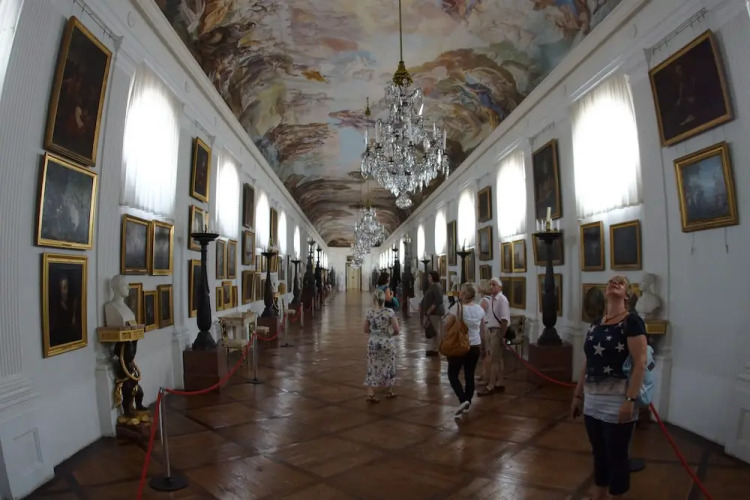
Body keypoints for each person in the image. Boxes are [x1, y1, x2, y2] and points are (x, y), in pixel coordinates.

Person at [571, 275, 648, 500]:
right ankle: (600, 495)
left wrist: (630, 400)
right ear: (606, 292)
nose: (615, 283)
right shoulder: (596, 323)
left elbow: (640, 362)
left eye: (621, 283)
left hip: (618, 401)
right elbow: (588, 361)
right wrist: (578, 395)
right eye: (611, 282)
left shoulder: (632, 322)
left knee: (617, 457)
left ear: (627, 295)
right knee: (599, 454)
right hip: (592, 402)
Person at [443, 283, 484, 417]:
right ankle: (467, 402)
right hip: (475, 345)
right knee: (469, 374)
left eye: (461, 291)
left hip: (460, 345)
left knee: (453, 374)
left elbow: (447, 325)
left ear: (465, 294)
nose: (459, 293)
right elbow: (482, 329)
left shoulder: (457, 307)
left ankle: (463, 399)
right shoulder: (479, 309)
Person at [363, 289, 400, 403]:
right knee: (389, 366)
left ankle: (371, 393)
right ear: (384, 300)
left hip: (373, 343)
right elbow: (397, 329)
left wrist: (375, 333)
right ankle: (389, 390)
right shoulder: (389, 312)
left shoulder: (370, 312)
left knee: (372, 367)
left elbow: (365, 329)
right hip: (387, 343)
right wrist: (389, 334)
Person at [477, 277, 509, 396]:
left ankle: (491, 386)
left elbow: (504, 319)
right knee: (498, 359)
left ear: (500, 287)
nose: (491, 287)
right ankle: (500, 383)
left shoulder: (502, 300)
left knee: (494, 360)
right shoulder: (491, 299)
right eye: (490, 284)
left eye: (494, 285)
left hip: (497, 331)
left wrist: (502, 336)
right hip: (491, 330)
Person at [421, 271, 445, 357]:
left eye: (430, 276)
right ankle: (433, 348)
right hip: (432, 312)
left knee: (435, 331)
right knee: (433, 330)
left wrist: (429, 310)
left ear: (434, 277)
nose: (428, 278)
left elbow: (438, 300)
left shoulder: (436, 286)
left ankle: (435, 349)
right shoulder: (433, 286)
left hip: (435, 312)